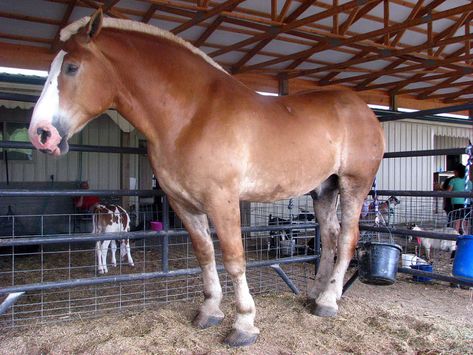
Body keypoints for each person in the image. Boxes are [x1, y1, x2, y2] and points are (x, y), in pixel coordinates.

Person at [447, 164, 472, 234]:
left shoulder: (453, 180)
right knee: (466, 220)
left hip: (456, 203)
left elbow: (448, 192)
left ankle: (456, 236)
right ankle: (465, 235)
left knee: (456, 220)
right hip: (467, 203)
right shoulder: (468, 182)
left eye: (454, 172)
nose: (454, 173)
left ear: (457, 172)